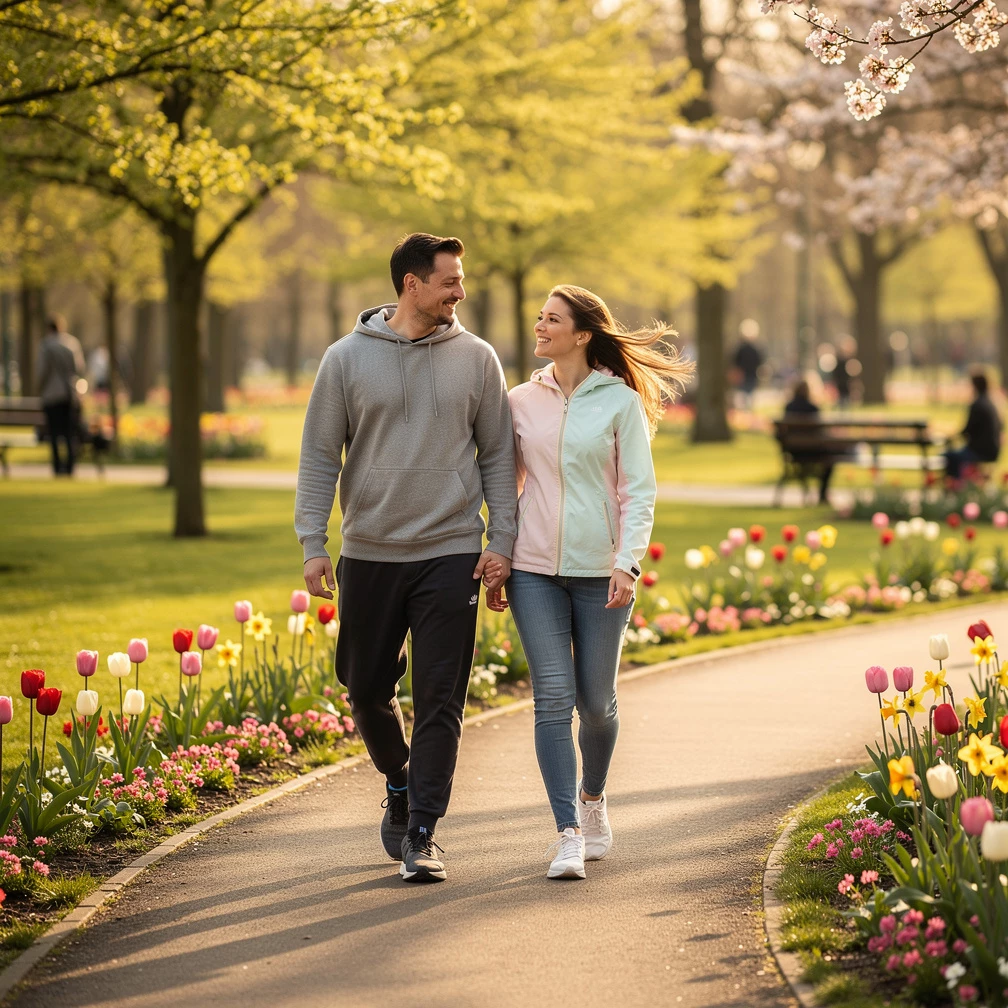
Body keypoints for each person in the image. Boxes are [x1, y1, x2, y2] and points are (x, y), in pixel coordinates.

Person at [295, 233, 517, 884]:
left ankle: (422, 832)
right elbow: (319, 455)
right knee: (365, 689)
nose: (460, 292)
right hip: (370, 549)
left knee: (441, 697)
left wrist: (501, 540)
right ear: (411, 284)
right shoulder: (345, 359)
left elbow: (499, 456)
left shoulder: (477, 359)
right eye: (450, 281)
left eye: (461, 280)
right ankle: (399, 779)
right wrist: (313, 542)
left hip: (452, 549)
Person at [491, 285, 691, 880]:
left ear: (582, 334)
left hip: (602, 573)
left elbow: (638, 491)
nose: (540, 326)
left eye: (552, 319)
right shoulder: (519, 401)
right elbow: (505, 486)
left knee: (596, 705)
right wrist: (499, 553)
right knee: (552, 699)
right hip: (533, 571)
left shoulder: (620, 403)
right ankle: (568, 833)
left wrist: (627, 562)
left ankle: (593, 798)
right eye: (539, 317)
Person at [35, 314, 85, 476]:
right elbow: (79, 368)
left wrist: (40, 388)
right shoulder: (72, 343)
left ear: (49, 328)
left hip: (52, 393)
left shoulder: (45, 345)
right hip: (69, 394)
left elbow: (42, 371)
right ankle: (70, 466)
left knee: (54, 432)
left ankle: (57, 466)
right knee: (69, 431)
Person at [782, 378, 836, 505]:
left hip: (793, 451)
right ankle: (822, 493)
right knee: (831, 459)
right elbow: (820, 431)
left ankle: (820, 495)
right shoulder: (812, 408)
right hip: (813, 451)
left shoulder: (789, 407)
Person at [946, 371, 1002, 480]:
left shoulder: (977, 405)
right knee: (956, 453)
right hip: (993, 451)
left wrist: (951, 436)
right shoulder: (990, 403)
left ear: (974, 386)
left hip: (979, 451)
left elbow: (967, 430)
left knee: (949, 455)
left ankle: (955, 484)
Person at [732, 327, 764, 409]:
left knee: (744, 396)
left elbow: (735, 362)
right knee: (749, 395)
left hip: (743, 375)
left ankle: (745, 410)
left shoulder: (741, 349)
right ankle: (748, 409)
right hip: (751, 375)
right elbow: (759, 361)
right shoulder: (755, 349)